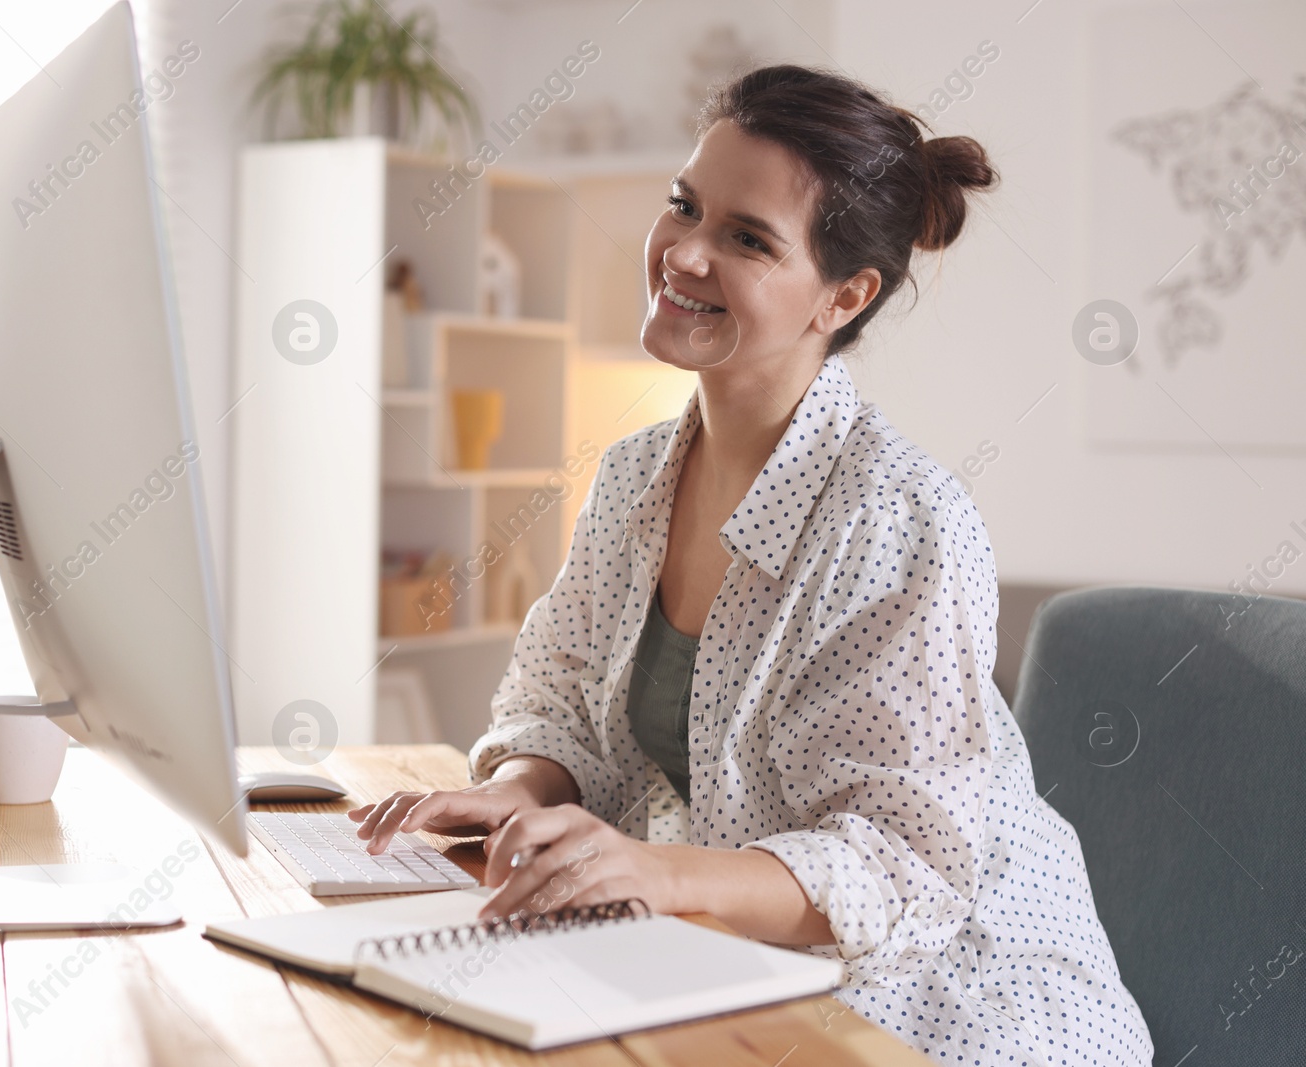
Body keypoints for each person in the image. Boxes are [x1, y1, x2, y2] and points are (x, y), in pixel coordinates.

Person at [350, 64, 1154, 1065]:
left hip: (955, 1014)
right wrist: (523, 784)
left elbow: (902, 866)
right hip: (757, 979)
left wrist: (657, 869)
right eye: (685, 205)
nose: (682, 252)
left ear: (843, 295)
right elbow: (557, 688)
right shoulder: (637, 474)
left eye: (746, 238)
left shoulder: (901, 521)